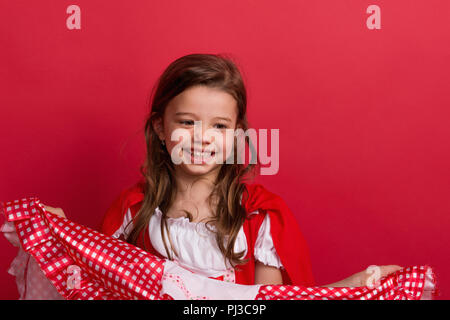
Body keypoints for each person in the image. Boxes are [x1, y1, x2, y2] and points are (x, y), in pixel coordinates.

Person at [41, 53, 402, 289]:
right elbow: (97, 284)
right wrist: (60, 234)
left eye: (219, 126)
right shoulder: (134, 210)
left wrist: (349, 287)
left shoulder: (261, 218)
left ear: (236, 134)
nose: (202, 138)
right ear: (160, 128)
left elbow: (272, 302)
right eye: (187, 121)